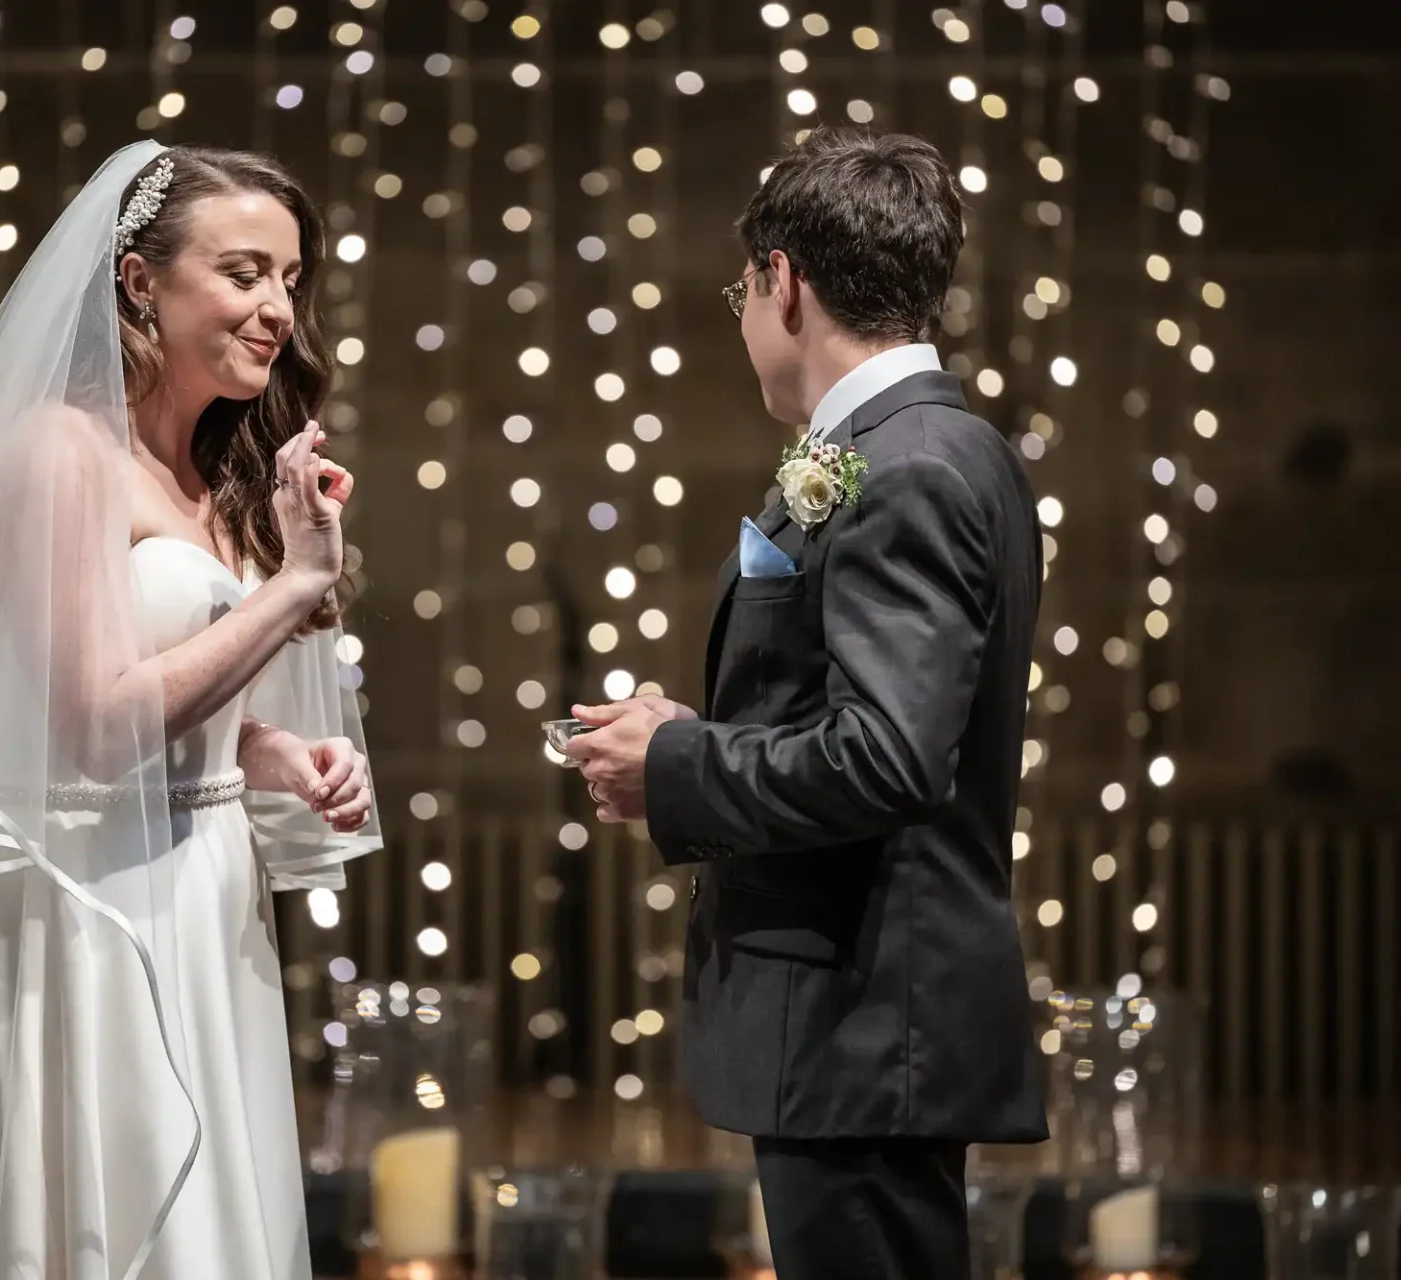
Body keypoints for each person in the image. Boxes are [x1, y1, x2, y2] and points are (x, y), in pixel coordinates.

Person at [0, 142, 381, 1280]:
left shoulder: (214, 474)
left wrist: (273, 754)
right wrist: (298, 585)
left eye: (291, 281)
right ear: (142, 281)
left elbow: (176, 705)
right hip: (97, 909)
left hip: (207, 899)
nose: (276, 311)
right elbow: (98, 721)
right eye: (245, 272)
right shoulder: (60, 451)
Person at [566, 127, 1048, 1278]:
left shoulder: (913, 462)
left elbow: (887, 754)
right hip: (857, 1026)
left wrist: (676, 767)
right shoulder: (919, 443)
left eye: (744, 288)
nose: (744, 316)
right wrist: (700, 735)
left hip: (872, 1021)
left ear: (784, 281)